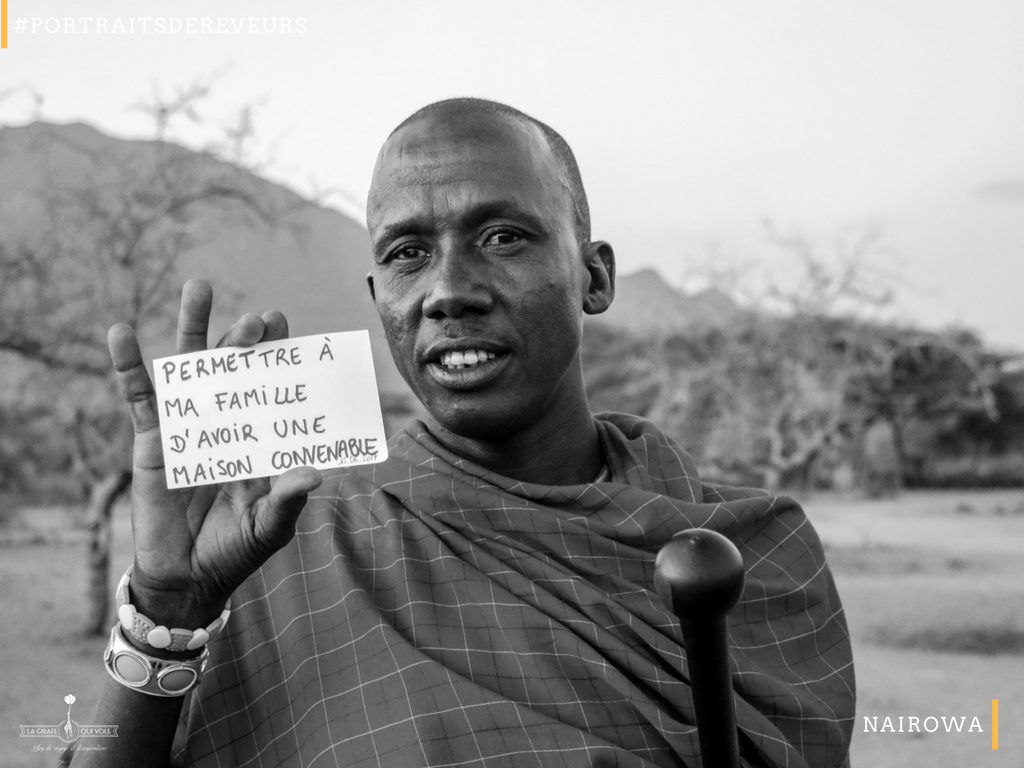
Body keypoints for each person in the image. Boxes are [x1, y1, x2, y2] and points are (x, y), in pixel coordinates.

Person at [73, 98, 855, 768]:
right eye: (409, 254)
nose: (447, 292)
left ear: (595, 276)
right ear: (379, 299)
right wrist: (165, 612)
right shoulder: (290, 546)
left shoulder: (757, 550)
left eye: (504, 237)